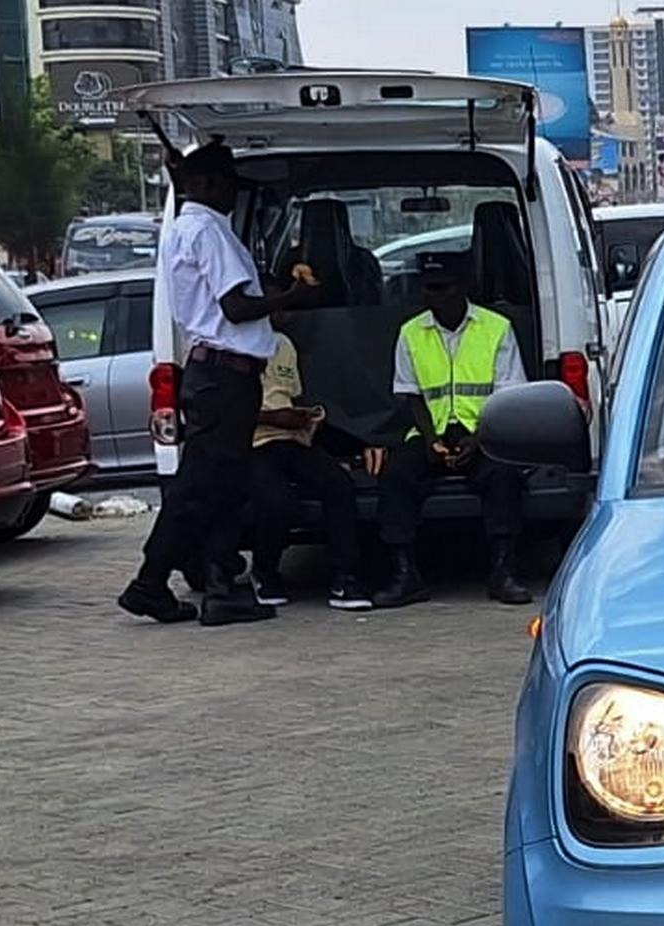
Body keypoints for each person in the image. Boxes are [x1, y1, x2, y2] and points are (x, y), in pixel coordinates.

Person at [119, 140, 317, 625]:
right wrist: (291, 295)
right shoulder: (207, 230)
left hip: (221, 376)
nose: (233, 194)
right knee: (200, 488)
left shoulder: (185, 226)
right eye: (228, 184)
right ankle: (151, 582)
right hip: (224, 376)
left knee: (224, 486)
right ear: (206, 184)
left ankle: (221, 583)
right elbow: (236, 307)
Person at [370, 254, 532, 608]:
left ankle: (503, 572)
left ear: (463, 288)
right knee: (396, 475)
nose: (435, 296)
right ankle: (405, 575)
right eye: (429, 289)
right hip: (432, 431)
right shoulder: (411, 332)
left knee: (504, 475)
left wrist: (479, 438)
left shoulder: (496, 328)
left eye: (443, 288)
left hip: (484, 431)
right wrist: (431, 441)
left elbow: (508, 394)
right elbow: (411, 395)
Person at [248, 324, 375, 610]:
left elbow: (292, 395)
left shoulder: (283, 344)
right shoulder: (227, 346)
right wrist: (272, 418)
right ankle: (265, 571)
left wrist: (304, 418)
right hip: (249, 443)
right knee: (278, 501)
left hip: (292, 439)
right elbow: (221, 409)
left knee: (338, 484)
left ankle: (346, 578)